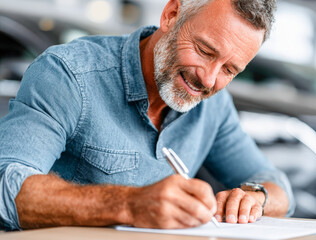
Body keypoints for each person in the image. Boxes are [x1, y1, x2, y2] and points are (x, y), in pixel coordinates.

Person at [0, 0, 295, 230]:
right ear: (171, 15)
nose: (208, 79)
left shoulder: (214, 106)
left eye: (230, 70)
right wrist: (129, 204)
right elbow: (5, 187)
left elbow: (279, 188)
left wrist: (254, 199)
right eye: (205, 51)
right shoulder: (69, 75)